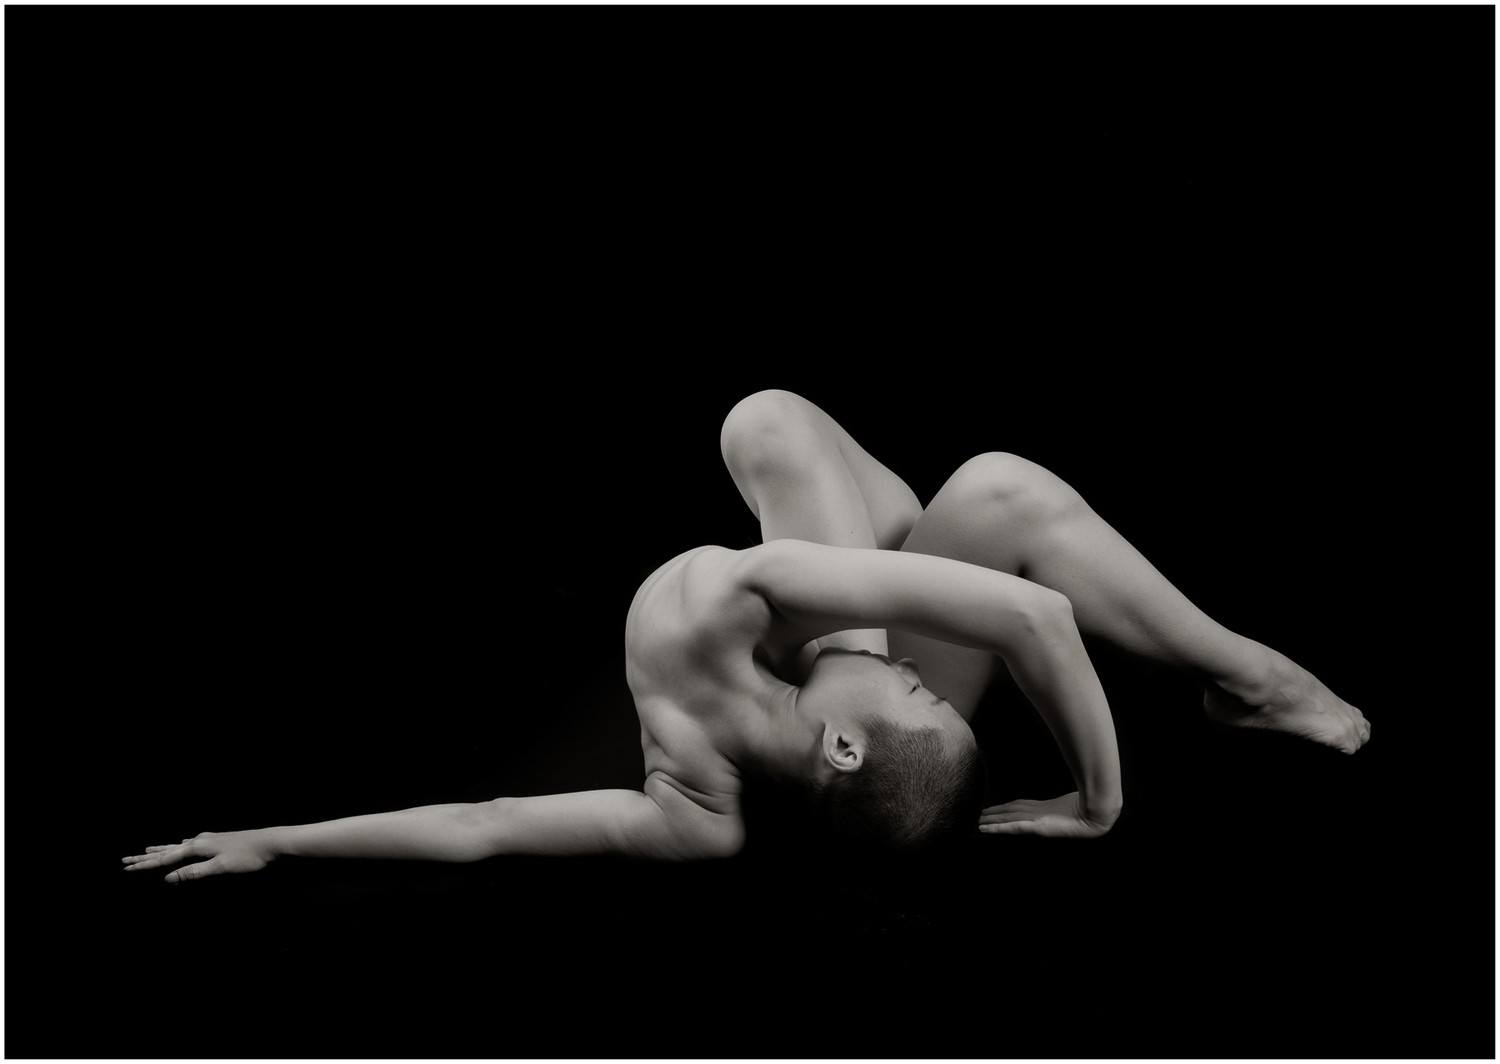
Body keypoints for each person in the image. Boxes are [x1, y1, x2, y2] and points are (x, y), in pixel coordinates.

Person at [122, 389, 1370, 881]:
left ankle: (1261, 682)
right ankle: (1259, 679)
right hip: (831, 586)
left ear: (840, 746)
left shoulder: (711, 780)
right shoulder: (763, 666)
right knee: (984, 490)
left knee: (774, 426)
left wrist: (277, 838)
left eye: (920, 695)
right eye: (930, 689)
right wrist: (1092, 799)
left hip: (812, 602)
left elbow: (487, 824)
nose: (925, 680)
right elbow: (1027, 616)